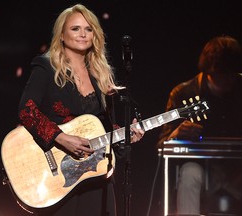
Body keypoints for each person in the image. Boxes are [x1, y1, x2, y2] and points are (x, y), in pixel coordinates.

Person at [18, 4, 144, 216]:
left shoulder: (100, 74)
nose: (83, 34)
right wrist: (60, 137)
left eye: (88, 29)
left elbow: (103, 128)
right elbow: (27, 111)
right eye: (75, 29)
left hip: (95, 175)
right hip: (59, 176)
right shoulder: (45, 66)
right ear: (62, 35)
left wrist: (126, 135)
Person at [157, 35, 242, 215]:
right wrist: (177, 134)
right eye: (225, 74)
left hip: (237, 171)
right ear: (212, 70)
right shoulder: (183, 93)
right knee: (189, 174)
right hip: (201, 168)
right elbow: (162, 145)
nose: (230, 79)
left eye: (233, 73)